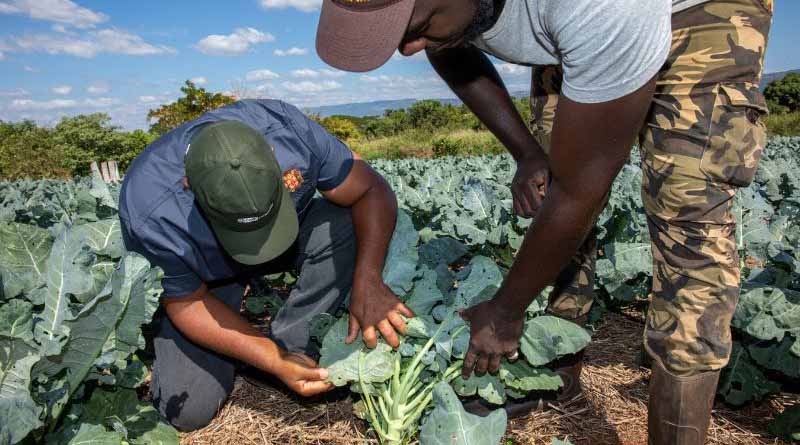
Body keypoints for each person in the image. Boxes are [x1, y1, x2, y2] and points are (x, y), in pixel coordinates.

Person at [315, 0, 773, 442]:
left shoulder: (599, 9)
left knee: (686, 218)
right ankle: (558, 366)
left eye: (414, 27)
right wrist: (527, 153)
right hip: (569, 29)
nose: (408, 50)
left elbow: (581, 189)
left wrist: (504, 312)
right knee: (551, 179)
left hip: (696, 14)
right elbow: (447, 49)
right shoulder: (448, 15)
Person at [118, 99, 414, 431]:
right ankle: (268, 354)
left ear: (274, 156)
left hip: (291, 238)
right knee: (189, 411)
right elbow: (186, 303)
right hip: (205, 281)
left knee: (347, 222)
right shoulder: (149, 209)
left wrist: (369, 279)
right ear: (190, 187)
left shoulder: (288, 130)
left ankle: (293, 340)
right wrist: (271, 359)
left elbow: (371, 188)